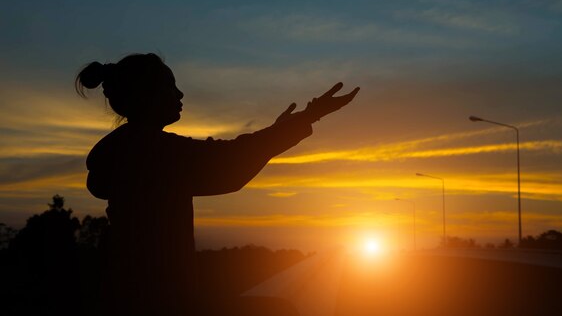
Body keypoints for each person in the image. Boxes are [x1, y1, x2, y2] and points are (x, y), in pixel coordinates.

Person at [75, 53, 359, 316]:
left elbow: (226, 156)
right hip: (159, 301)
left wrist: (279, 131)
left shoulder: (133, 149)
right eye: (170, 87)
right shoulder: (153, 152)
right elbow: (228, 163)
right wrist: (307, 117)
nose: (180, 94)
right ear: (148, 95)